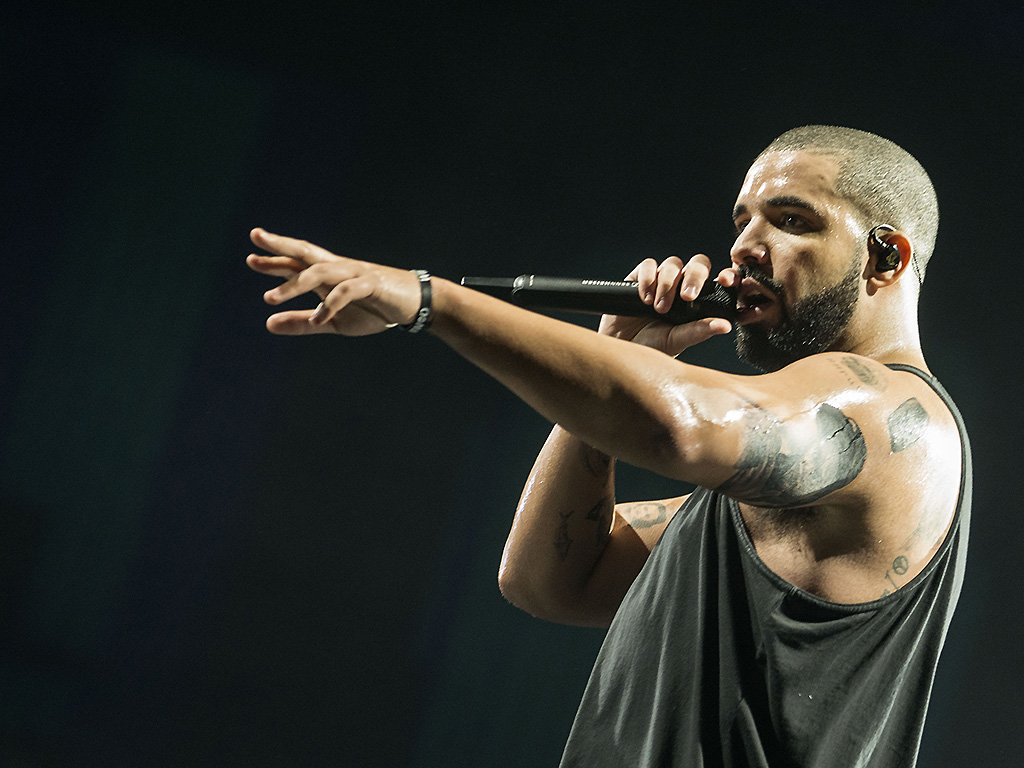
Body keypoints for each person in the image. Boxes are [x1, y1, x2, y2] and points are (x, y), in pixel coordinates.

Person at [247, 125, 970, 767]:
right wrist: (623, 348)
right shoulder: (777, 486)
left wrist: (430, 300)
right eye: (741, 221)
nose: (746, 246)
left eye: (790, 221)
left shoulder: (892, 412)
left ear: (885, 256)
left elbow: (683, 427)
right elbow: (546, 581)